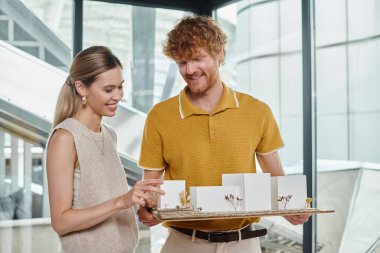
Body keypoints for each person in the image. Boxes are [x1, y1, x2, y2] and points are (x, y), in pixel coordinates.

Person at [137, 16, 310, 253]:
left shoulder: (257, 111)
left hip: (244, 244)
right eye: (182, 62)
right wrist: (147, 208)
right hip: (184, 244)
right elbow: (151, 187)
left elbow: (276, 178)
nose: (190, 70)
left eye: (198, 59)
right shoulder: (160, 116)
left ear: (219, 53)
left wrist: (292, 209)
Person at [46, 46, 164, 253]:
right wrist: (122, 201)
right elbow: (61, 221)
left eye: (120, 87)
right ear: (82, 88)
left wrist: (140, 202)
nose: (118, 96)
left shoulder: (109, 134)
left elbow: (99, 197)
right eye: (109, 89)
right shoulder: (65, 138)